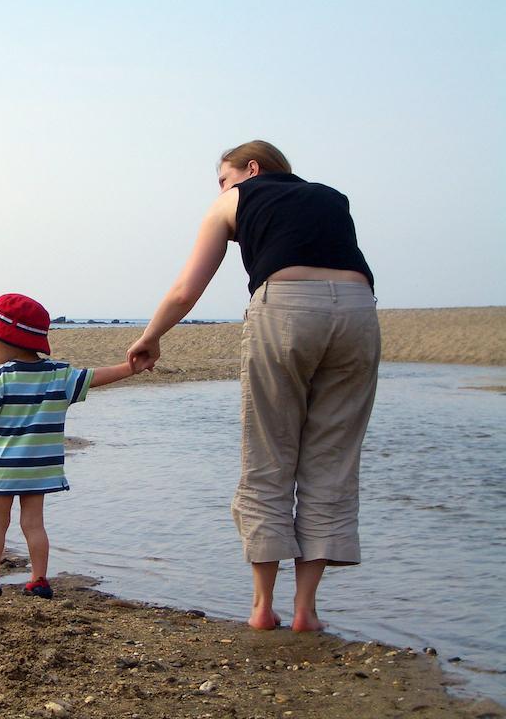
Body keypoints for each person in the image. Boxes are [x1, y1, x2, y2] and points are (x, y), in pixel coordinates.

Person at [126, 140, 381, 632]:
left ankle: (263, 607)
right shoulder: (331, 196)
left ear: (252, 169)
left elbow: (186, 289)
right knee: (333, 460)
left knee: (269, 454)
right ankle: (307, 610)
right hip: (358, 310)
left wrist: (150, 336)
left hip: (286, 307)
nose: (221, 188)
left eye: (223, 178)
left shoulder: (233, 200)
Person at [0, 293, 134, 599]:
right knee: (34, 524)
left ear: (11, 339)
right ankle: (38, 580)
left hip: (4, 468)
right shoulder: (59, 374)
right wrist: (131, 367)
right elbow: (94, 378)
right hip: (40, 467)